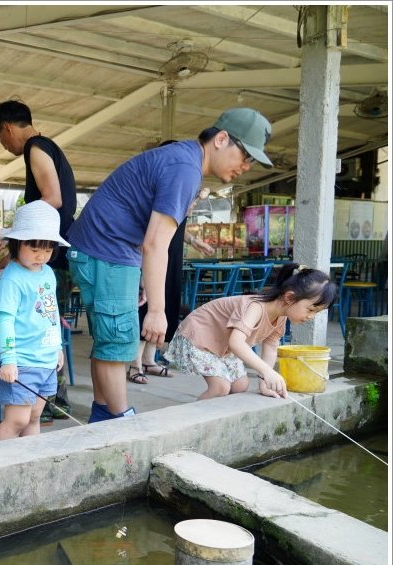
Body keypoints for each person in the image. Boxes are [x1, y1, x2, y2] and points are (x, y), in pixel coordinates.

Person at [65, 107, 274, 422]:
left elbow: (147, 238)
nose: (245, 166)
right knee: (119, 341)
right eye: (245, 156)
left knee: (111, 339)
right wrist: (158, 311)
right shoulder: (184, 169)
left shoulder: (184, 161)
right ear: (221, 139)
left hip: (104, 252)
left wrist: (141, 282)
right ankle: (123, 424)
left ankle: (103, 414)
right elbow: (155, 244)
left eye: (251, 162)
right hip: (106, 252)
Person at [0, 99, 77, 419]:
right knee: (46, 319)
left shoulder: (35, 147)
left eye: (1, 139)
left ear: (8, 129)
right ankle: (52, 401)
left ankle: (49, 402)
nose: (4, 145)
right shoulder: (50, 146)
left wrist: (16, 231)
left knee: (40, 320)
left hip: (49, 253)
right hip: (53, 252)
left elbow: (51, 198)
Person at [164, 263, 335, 399]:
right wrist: (268, 372)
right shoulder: (255, 307)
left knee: (240, 386)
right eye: (310, 310)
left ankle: (219, 415)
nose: (311, 317)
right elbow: (236, 342)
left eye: (316, 312)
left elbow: (271, 348)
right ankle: (195, 421)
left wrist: (264, 382)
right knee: (220, 388)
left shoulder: (281, 316)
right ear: (290, 297)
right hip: (198, 336)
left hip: (221, 344)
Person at [0, 200, 69, 441]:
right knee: (17, 419)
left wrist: (57, 347)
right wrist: (9, 360)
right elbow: (5, 321)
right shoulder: (12, 278)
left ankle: (28, 466)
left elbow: (52, 312)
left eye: (47, 250)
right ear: (17, 243)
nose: (41, 256)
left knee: (35, 416)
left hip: (46, 359)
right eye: (35, 249)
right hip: (21, 361)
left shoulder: (47, 273)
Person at [128, 186, 215, 385]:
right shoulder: (162, 205)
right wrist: (143, 272)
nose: (192, 208)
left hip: (172, 260)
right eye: (193, 203)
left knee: (166, 307)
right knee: (147, 310)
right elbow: (148, 239)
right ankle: (135, 364)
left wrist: (194, 241)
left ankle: (149, 360)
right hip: (153, 261)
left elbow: (177, 230)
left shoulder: (179, 209)